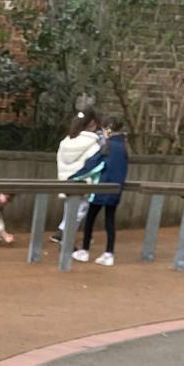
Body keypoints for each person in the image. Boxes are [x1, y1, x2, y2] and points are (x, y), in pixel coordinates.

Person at [71, 117, 129, 267]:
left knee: (90, 219)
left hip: (101, 188)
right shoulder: (123, 146)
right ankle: (109, 253)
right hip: (116, 188)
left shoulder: (108, 146)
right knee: (110, 220)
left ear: (108, 129)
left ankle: (84, 250)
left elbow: (94, 165)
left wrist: (74, 177)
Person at [51, 108, 101, 244]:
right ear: (93, 124)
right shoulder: (93, 144)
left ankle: (61, 232)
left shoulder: (66, 142)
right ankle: (65, 235)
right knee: (80, 211)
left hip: (66, 182)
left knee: (70, 208)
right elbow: (93, 165)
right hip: (83, 183)